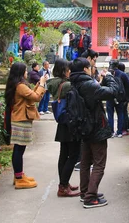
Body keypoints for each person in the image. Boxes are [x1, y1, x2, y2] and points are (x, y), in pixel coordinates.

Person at [69, 57, 120, 208]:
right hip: (96, 127)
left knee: (85, 162)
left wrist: (101, 81)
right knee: (99, 163)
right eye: (91, 66)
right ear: (85, 69)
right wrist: (110, 78)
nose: (92, 68)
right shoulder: (88, 84)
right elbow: (112, 92)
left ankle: (85, 192)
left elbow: (96, 93)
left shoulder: (74, 83)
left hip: (84, 127)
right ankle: (90, 198)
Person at [5, 62, 47, 189]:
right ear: (20, 72)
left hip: (20, 119)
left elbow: (30, 95)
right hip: (21, 120)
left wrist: (39, 84)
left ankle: (19, 175)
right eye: (25, 70)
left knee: (19, 149)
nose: (27, 72)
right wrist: (43, 84)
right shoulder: (20, 86)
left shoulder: (18, 85)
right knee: (19, 149)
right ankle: (19, 179)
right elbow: (35, 97)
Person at [45, 58, 80, 197]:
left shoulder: (55, 83)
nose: (69, 71)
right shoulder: (67, 85)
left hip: (63, 124)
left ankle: (64, 183)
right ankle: (63, 186)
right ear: (64, 70)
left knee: (64, 155)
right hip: (70, 123)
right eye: (68, 69)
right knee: (74, 155)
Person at [117, 62, 129, 136]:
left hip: (123, 97)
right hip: (126, 97)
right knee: (124, 112)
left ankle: (125, 129)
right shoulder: (123, 75)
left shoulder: (120, 76)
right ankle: (126, 129)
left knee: (123, 113)